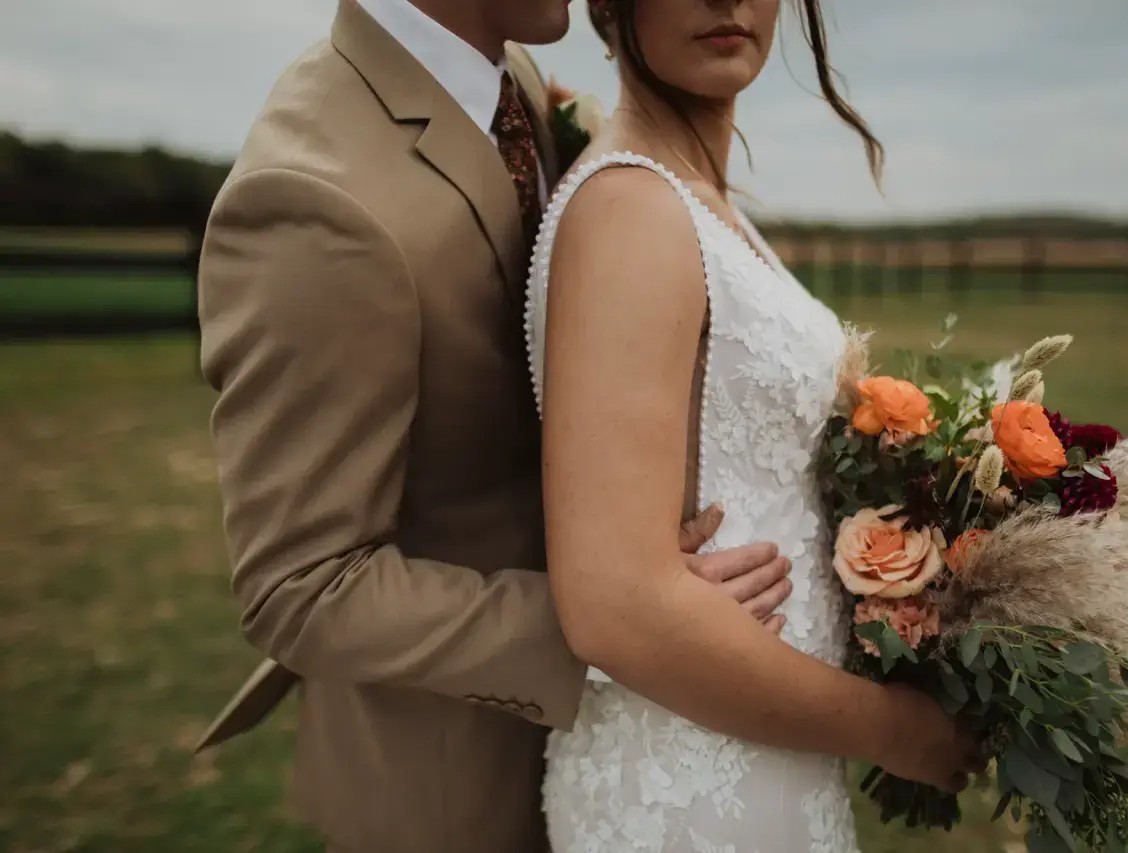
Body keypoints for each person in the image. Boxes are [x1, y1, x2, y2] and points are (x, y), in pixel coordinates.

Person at [194, 1, 795, 850]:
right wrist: (620, 619)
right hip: (458, 782)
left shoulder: (507, 79)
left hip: (641, 755)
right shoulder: (310, 196)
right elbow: (302, 585)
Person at [525, 1, 983, 849]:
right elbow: (614, 609)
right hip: (685, 781)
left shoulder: (696, 199)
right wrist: (897, 728)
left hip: (763, 752)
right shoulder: (629, 209)